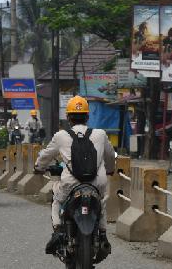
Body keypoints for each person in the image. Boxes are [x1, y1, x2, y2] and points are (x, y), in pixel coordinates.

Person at [35, 95, 115, 256]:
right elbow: (110, 156)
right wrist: (110, 170)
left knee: (57, 201)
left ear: (68, 117)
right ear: (87, 116)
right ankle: (103, 235)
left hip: (71, 183)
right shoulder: (100, 134)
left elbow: (45, 156)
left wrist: (38, 167)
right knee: (101, 203)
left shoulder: (60, 136)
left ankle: (57, 231)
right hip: (96, 183)